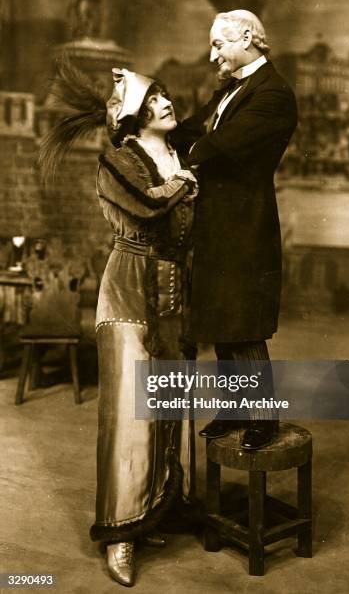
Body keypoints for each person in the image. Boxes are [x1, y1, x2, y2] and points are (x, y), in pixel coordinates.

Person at [39, 61, 197, 587]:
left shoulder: (176, 154)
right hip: (129, 285)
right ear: (132, 118)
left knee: (167, 404)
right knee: (131, 417)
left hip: (173, 290)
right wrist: (184, 185)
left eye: (166, 96)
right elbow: (149, 208)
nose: (167, 104)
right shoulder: (118, 159)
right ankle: (119, 537)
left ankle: (151, 511)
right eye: (153, 101)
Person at [172, 9, 298, 450]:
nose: (212, 55)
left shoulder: (273, 94)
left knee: (242, 323)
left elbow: (216, 147)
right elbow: (190, 133)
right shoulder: (231, 89)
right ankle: (234, 409)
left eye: (218, 44)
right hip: (221, 222)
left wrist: (186, 148)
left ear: (246, 37)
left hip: (245, 225)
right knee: (223, 319)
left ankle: (263, 418)